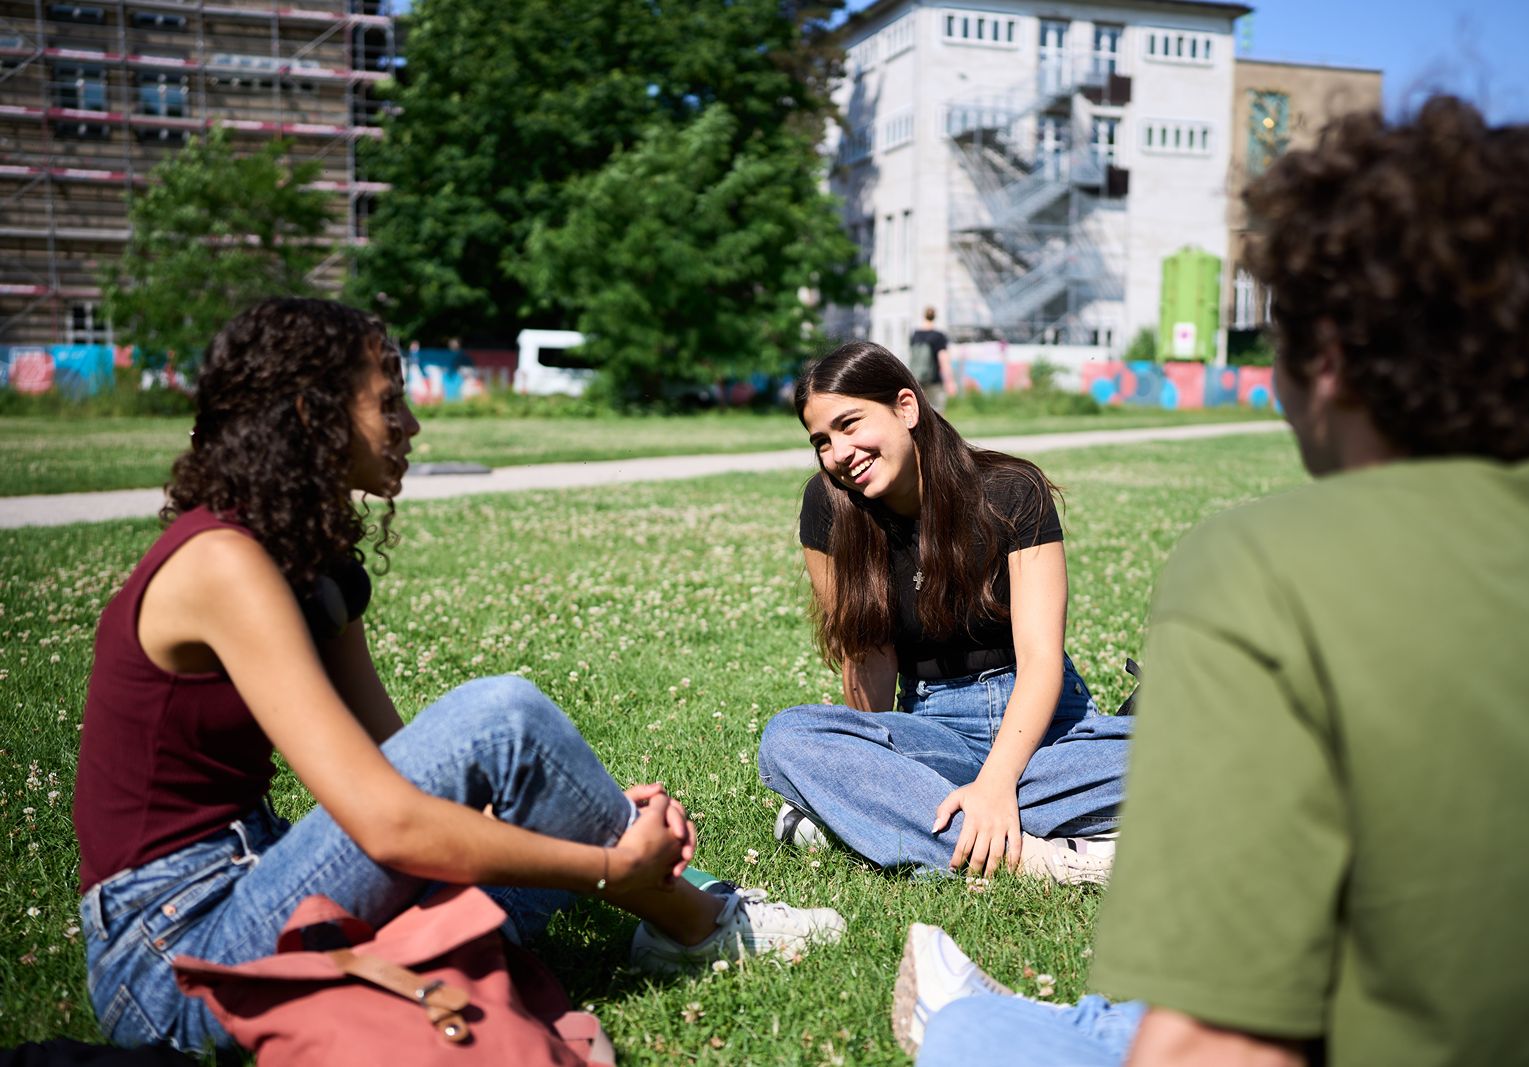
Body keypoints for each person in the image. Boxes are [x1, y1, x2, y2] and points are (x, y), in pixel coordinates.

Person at [902, 96, 1529, 1065]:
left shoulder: (1265, 572)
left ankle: (1007, 1016)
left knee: (974, 1036)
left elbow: (1218, 1052)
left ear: (1323, 360)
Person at [72, 298, 845, 1054]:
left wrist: (582, 807)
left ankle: (680, 900)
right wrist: (609, 861)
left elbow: (404, 762)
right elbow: (389, 822)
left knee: (517, 781)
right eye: (388, 404)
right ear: (313, 417)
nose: (411, 425)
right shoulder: (221, 562)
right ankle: (698, 923)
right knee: (500, 714)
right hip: (178, 958)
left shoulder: (307, 558)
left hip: (262, 883)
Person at [758, 340, 1131, 884]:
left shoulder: (1010, 490)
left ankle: (900, 820)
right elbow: (867, 658)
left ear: (906, 408)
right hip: (936, 733)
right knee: (790, 738)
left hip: (1048, 729)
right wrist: (869, 762)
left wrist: (997, 783)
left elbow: (1041, 659)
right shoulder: (829, 508)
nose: (839, 452)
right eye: (821, 441)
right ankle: (1037, 857)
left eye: (850, 424)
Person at [907, 307, 951, 411]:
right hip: (934, 379)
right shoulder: (938, 336)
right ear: (935, 317)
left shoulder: (915, 335)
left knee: (920, 410)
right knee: (938, 411)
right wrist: (949, 380)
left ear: (924, 316)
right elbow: (943, 358)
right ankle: (938, 428)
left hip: (917, 379)